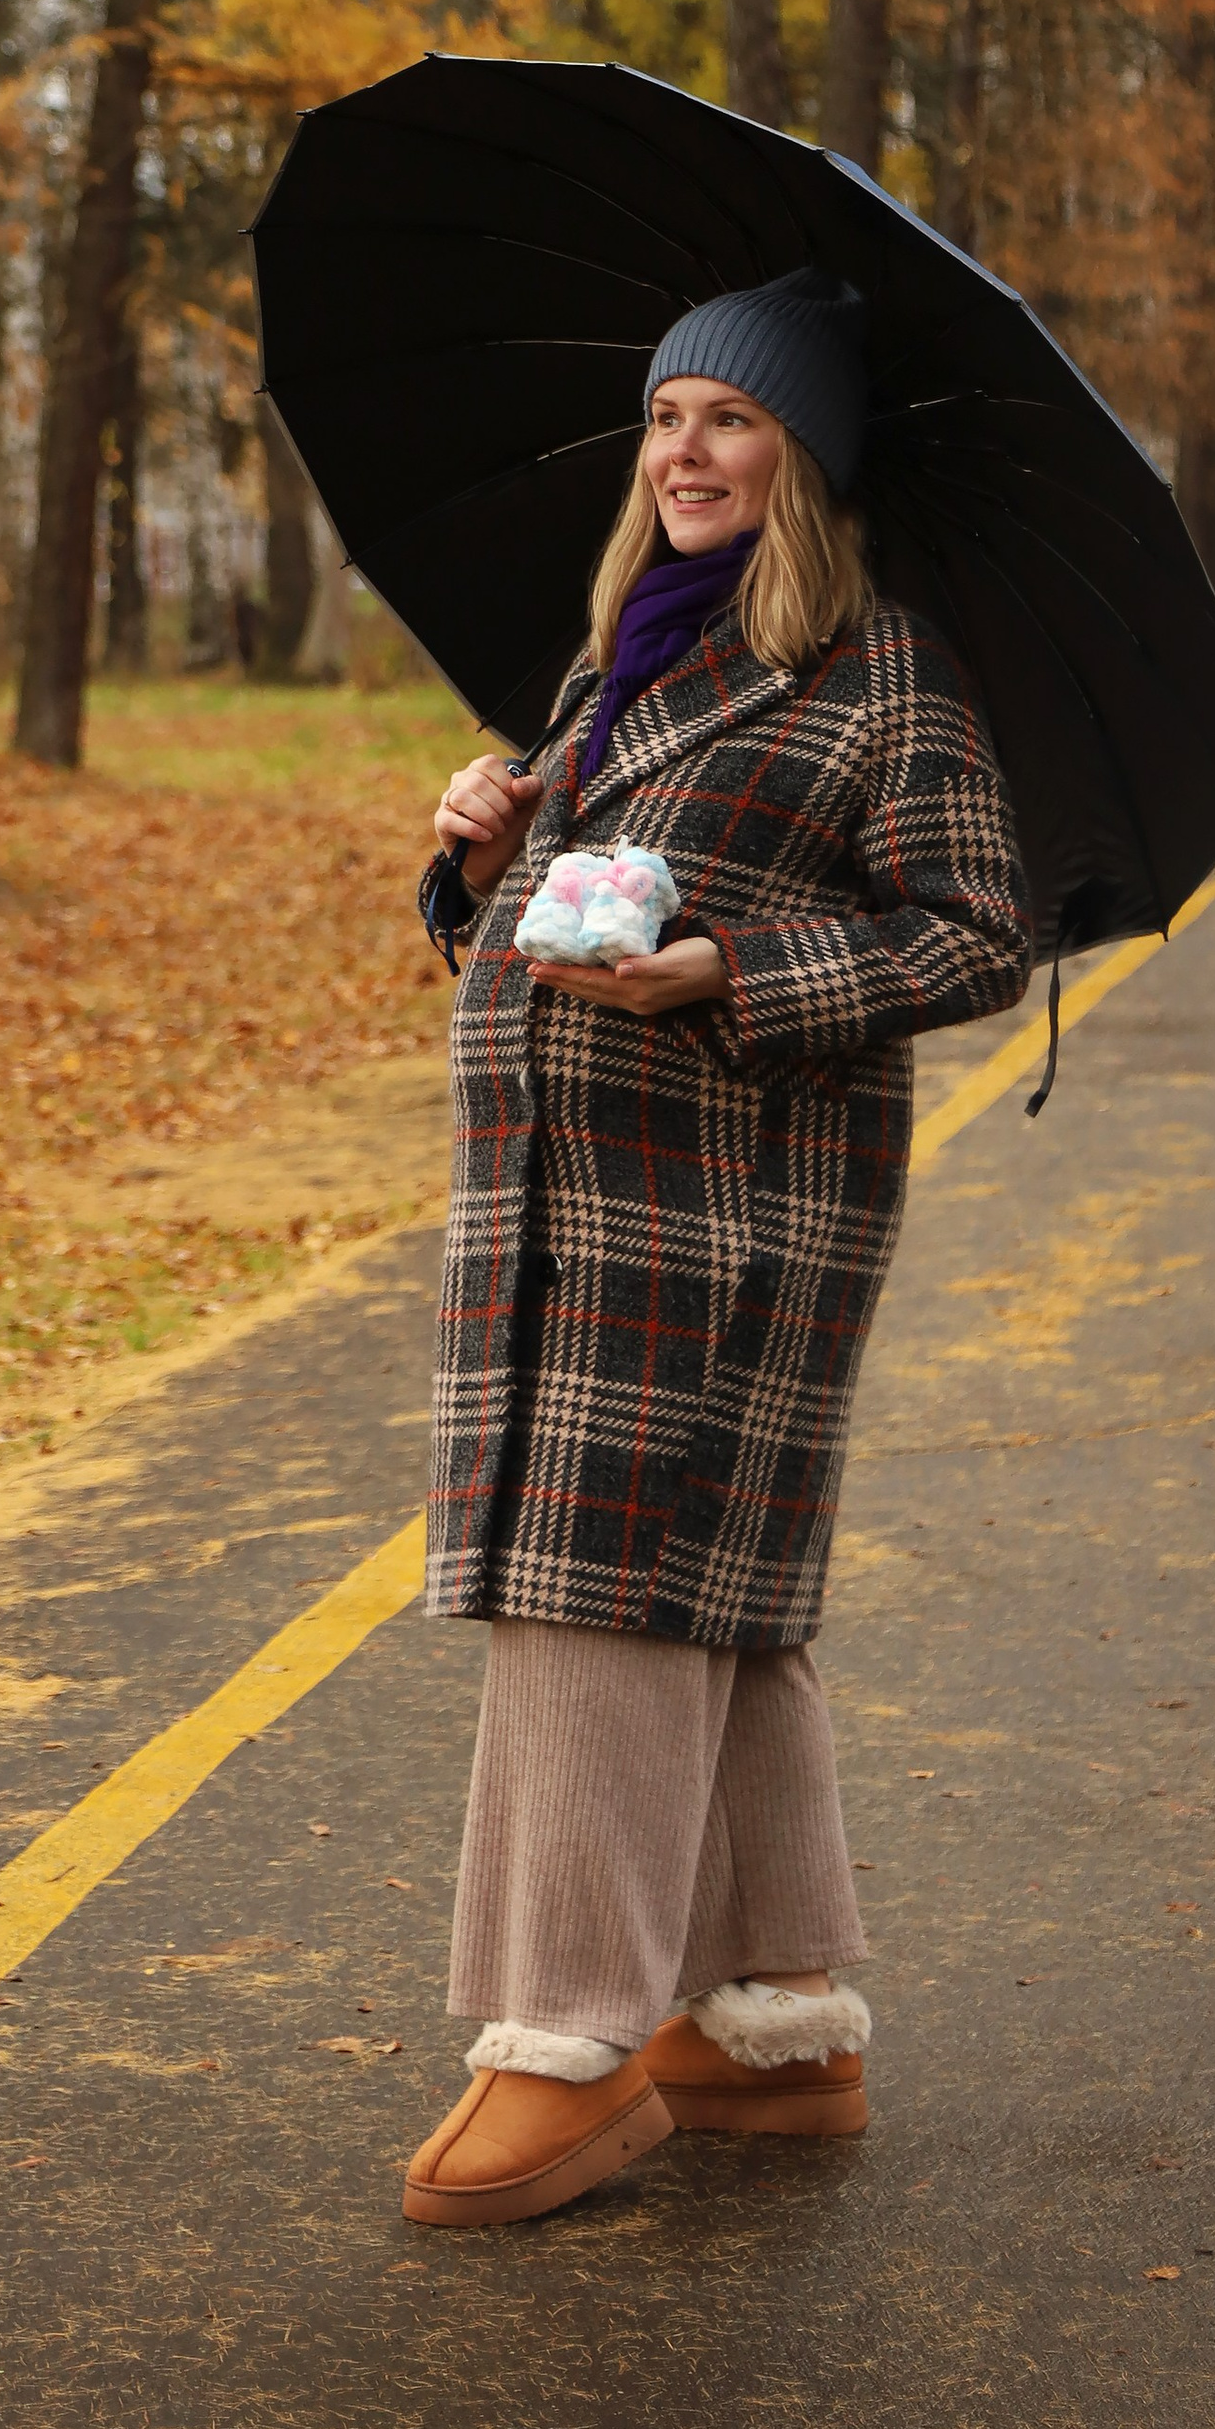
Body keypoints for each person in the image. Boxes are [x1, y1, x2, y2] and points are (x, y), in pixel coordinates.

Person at [402, 267, 1032, 2230]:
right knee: (722, 1604)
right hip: (552, 1213)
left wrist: (727, 974)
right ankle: (770, 2025)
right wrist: (478, 852)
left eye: (728, 420)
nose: (681, 451)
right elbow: (551, 913)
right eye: (666, 418)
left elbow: (973, 930)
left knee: (591, 1594)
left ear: (803, 464)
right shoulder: (613, 670)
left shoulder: (877, 672)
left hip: (721, 1226)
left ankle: (563, 2041)